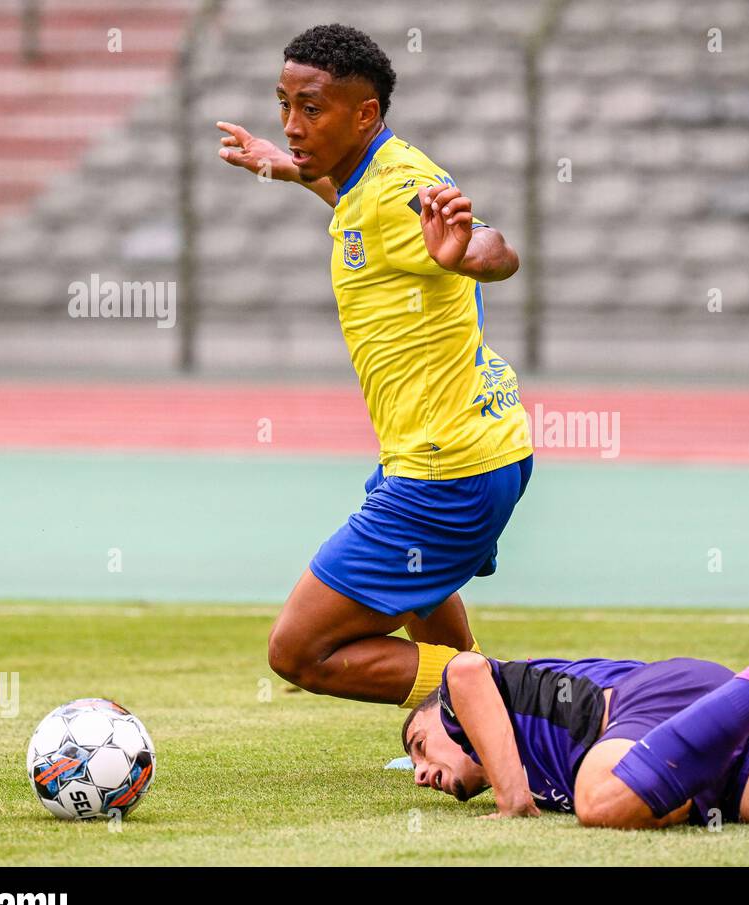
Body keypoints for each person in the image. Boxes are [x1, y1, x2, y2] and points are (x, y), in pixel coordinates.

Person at [217, 24, 533, 709]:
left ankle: (505, 704)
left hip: (445, 470)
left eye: (311, 108)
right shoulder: (371, 180)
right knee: (421, 590)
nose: (292, 123)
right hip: (472, 451)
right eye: (284, 105)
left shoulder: (403, 189)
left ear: (365, 114)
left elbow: (496, 248)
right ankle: (472, 722)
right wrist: (279, 163)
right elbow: (347, 201)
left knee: (299, 651)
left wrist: (469, 255)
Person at [400, 578, 749, 845]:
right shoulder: (529, 764)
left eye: (419, 744)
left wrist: (513, 801)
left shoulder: (463, 699)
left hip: (653, 703)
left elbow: (465, 671)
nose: (423, 772)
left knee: (602, 797)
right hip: (696, 739)